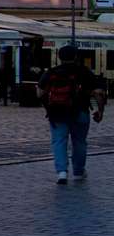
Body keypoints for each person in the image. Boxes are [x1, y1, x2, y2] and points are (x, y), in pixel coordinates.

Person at [41, 47, 105, 186]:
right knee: (80, 142)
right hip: (80, 111)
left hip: (57, 112)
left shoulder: (52, 72)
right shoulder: (84, 71)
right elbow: (98, 93)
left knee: (59, 141)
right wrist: (100, 111)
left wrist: (48, 107)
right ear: (76, 56)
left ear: (59, 57)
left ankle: (62, 172)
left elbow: (40, 93)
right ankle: (78, 171)